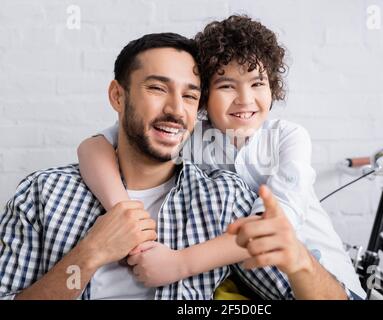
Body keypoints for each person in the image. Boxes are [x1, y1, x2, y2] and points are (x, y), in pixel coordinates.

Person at [77, 16, 366, 299]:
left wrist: (178, 264)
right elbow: (93, 147)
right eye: (227, 86)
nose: (245, 99)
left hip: (321, 279)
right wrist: (127, 217)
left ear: (273, 86)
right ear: (202, 96)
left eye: (257, 83)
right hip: (252, 281)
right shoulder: (189, 134)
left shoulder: (288, 138)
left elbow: (273, 227)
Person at [0, 33, 270, 300]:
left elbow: (301, 287)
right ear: (117, 96)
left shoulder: (224, 198)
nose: (176, 110)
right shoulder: (44, 193)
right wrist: (91, 253)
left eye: (190, 96)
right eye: (157, 88)